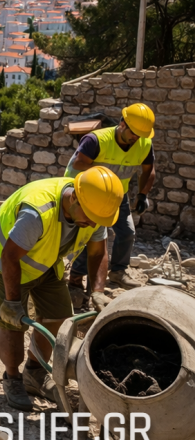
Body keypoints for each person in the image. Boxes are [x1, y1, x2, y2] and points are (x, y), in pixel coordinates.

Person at [0, 168, 122, 411]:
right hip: (4, 259)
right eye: (90, 217)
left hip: (45, 258)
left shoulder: (94, 209)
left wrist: (97, 291)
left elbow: (98, 252)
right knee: (13, 322)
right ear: (74, 198)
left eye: (99, 218)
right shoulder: (38, 211)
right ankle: (12, 378)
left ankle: (34, 373)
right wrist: (12, 303)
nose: (94, 223)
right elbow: (10, 256)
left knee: (59, 317)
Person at [65, 104, 156, 305]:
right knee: (90, 235)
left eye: (141, 135)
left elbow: (149, 169)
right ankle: (76, 279)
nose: (136, 138)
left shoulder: (144, 144)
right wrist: (102, 175)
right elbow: (78, 164)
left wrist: (142, 195)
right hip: (85, 193)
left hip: (116, 194)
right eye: (134, 133)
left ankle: (117, 272)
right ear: (123, 124)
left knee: (127, 232)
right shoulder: (96, 140)